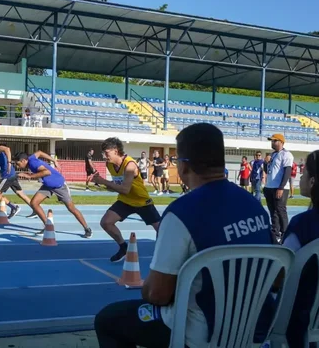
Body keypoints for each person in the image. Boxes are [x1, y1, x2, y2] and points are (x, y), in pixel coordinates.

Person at [94, 123, 274, 348]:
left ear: (184, 166)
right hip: (255, 329)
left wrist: (153, 286)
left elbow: (157, 294)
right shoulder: (255, 206)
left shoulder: (182, 213)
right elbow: (275, 276)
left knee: (107, 320)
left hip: (202, 334)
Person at [91, 137, 161, 262]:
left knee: (161, 229)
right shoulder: (110, 164)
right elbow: (117, 185)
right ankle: (124, 248)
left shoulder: (130, 165)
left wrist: (103, 181)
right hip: (125, 200)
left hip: (141, 201)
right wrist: (103, 184)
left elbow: (125, 189)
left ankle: (165, 253)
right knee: (106, 222)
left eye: (106, 153)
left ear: (116, 151)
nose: (104, 156)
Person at [281, 150, 319, 348]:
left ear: (312, 182)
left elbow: (281, 274)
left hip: (300, 316)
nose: (300, 179)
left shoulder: (302, 224)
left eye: (304, 175)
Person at [14, 151, 92, 238]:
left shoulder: (33, 163)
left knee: (71, 208)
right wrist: (53, 160)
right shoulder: (31, 158)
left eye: (18, 164)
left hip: (59, 185)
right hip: (47, 185)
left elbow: (47, 172)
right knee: (34, 203)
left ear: (24, 160)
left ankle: (87, 228)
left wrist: (30, 176)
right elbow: (39, 152)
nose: (17, 166)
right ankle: (48, 226)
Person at [0, 137, 36, 219]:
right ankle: (36, 210)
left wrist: (9, 162)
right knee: (21, 194)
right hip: (10, 174)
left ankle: (14, 207)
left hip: (7, 175)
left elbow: (7, 149)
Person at [264, 133, 294, 242]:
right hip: (269, 186)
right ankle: (276, 233)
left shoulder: (286, 154)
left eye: (274, 141)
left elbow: (287, 172)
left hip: (279, 187)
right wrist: (265, 163)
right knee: (273, 212)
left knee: (281, 211)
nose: (272, 143)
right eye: (271, 141)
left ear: (281, 142)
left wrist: (281, 187)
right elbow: (268, 171)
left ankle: (286, 233)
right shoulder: (272, 155)